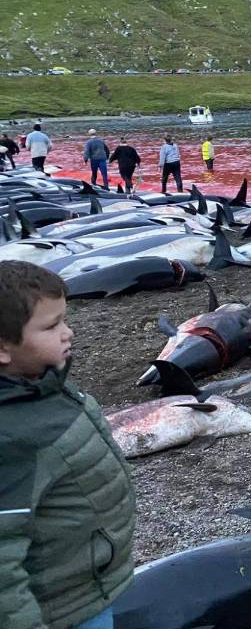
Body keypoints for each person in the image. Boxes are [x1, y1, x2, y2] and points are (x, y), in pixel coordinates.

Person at [0, 261, 136, 629]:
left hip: (85, 588)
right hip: (61, 611)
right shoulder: (11, 439)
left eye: (65, 320)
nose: (68, 333)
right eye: (51, 326)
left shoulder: (41, 384)